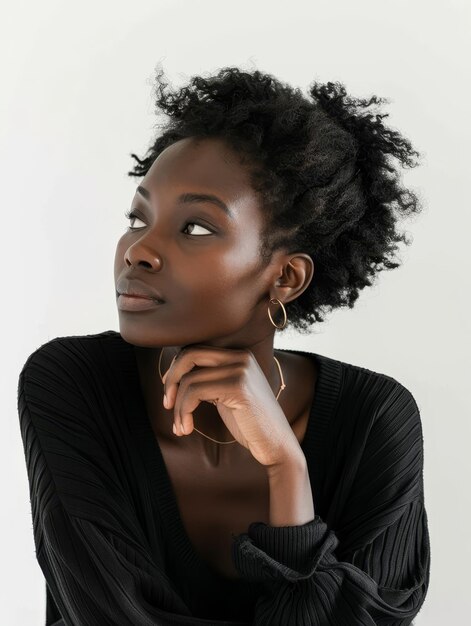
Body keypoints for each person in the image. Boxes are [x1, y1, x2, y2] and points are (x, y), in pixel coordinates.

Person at [18, 66, 430, 625]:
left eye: (195, 228)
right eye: (138, 217)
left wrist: (287, 470)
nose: (138, 250)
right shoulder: (74, 385)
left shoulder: (375, 420)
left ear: (285, 279)